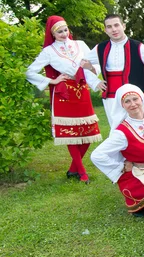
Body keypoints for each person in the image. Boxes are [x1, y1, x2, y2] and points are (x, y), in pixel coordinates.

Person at [26, 15, 103, 184]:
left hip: (82, 90)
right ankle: (82, 173)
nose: (63, 34)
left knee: (89, 133)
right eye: (59, 31)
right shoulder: (48, 51)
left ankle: (72, 170)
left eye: (65, 30)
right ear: (52, 34)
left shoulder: (80, 45)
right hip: (64, 94)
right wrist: (51, 81)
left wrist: (91, 70)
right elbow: (30, 71)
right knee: (70, 134)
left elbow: (95, 64)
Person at [91, 85, 144, 216]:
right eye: (127, 101)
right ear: (122, 106)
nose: (133, 104)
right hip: (139, 172)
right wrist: (120, 167)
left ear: (141, 99)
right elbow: (97, 155)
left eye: (135, 99)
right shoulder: (122, 132)